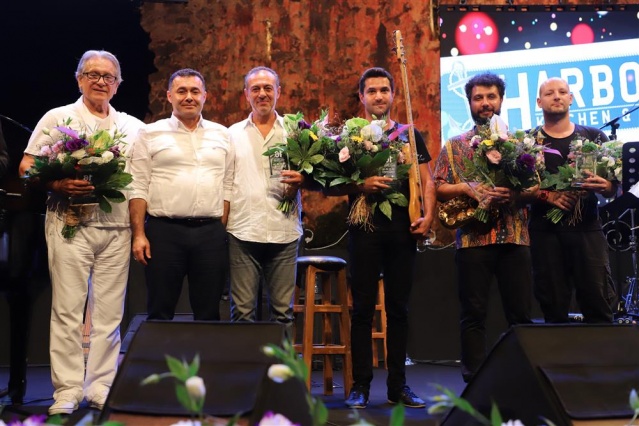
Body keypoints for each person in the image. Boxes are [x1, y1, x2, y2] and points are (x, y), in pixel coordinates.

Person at [18, 50, 144, 415]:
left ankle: (101, 385)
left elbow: (143, 179)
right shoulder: (58, 118)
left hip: (116, 226)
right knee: (68, 309)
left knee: (109, 313)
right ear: (79, 79)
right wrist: (56, 183)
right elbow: (26, 166)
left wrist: (139, 229)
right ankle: (68, 390)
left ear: (118, 84)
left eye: (108, 76)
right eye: (93, 74)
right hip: (69, 223)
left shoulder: (133, 127)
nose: (101, 81)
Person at [343, 67, 436, 409]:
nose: (379, 96)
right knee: (362, 310)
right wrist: (360, 185)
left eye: (384, 90)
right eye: (372, 91)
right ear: (361, 96)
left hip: (402, 230)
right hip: (364, 229)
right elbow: (334, 183)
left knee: (398, 309)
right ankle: (360, 386)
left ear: (394, 94)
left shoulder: (409, 134)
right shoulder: (349, 136)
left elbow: (427, 180)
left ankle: (398, 386)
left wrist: (428, 216)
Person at [433, 72, 533, 383]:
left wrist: (514, 194)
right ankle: (474, 381)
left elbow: (536, 187)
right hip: (473, 240)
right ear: (469, 103)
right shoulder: (454, 145)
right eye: (478, 98)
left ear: (501, 100)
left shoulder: (520, 143)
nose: (485, 103)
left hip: (515, 237)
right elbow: (438, 187)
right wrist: (466, 187)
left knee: (520, 315)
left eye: (491, 97)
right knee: (473, 314)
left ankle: (522, 378)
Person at [129, 68, 234, 321]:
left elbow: (228, 185)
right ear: (169, 96)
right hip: (164, 233)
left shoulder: (222, 134)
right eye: (182, 91)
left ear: (205, 96)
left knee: (209, 313)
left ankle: (207, 350)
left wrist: (219, 228)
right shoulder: (150, 133)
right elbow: (138, 186)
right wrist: (139, 234)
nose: (189, 97)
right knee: (160, 310)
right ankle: (160, 350)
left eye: (195, 91)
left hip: (210, 233)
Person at [529, 77, 616, 323]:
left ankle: (603, 350)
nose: (556, 96)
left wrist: (607, 186)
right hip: (545, 233)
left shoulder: (594, 137)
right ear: (539, 102)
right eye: (549, 93)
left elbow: (613, 188)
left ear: (571, 98)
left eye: (562, 92)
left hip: (587, 230)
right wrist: (547, 195)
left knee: (598, 303)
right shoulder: (528, 142)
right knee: (553, 307)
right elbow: (518, 191)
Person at [226, 66, 303, 323]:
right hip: (242, 233)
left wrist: (304, 179)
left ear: (278, 92)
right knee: (242, 313)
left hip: (284, 232)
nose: (262, 94)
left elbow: (313, 174)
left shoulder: (295, 131)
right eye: (255, 89)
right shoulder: (232, 134)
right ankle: (246, 354)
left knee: (283, 314)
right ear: (246, 94)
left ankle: (282, 354)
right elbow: (225, 183)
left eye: (268, 88)